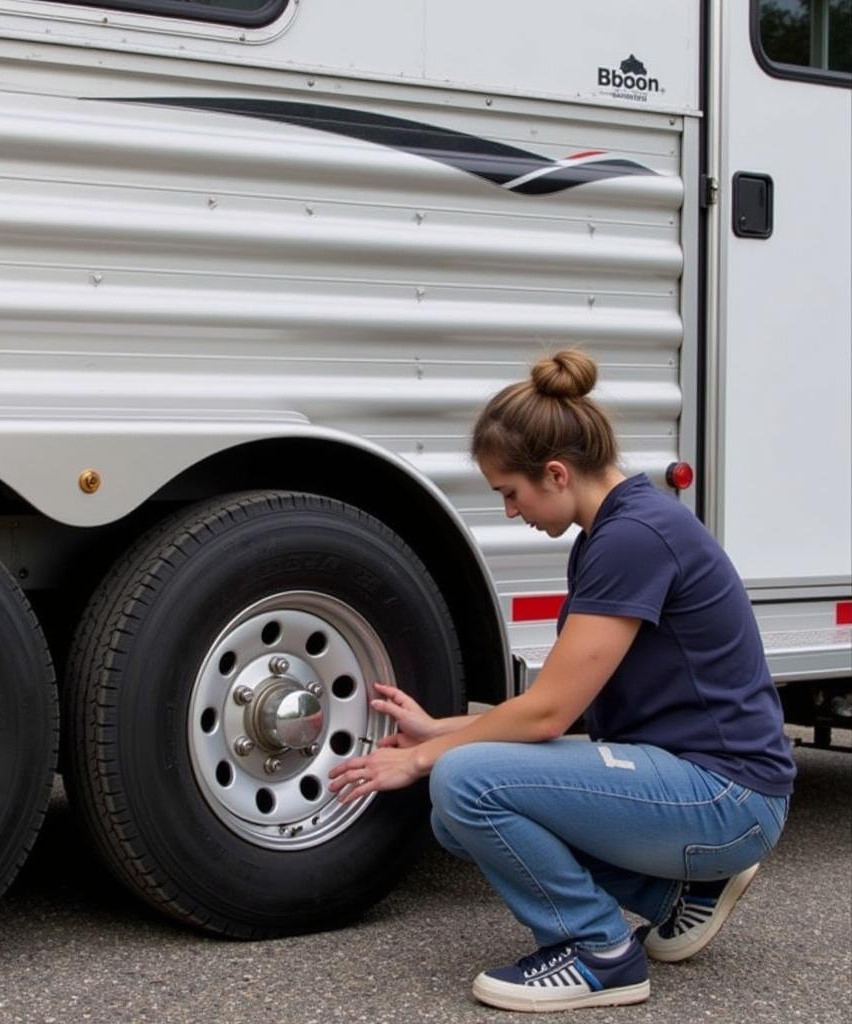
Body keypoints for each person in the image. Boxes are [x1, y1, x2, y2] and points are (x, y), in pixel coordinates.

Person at [328, 349, 795, 1013]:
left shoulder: (634, 538)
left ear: (555, 472)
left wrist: (428, 756)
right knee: (454, 815)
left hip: (727, 796)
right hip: (695, 780)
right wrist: (440, 729)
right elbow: (564, 706)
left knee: (464, 782)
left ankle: (599, 952)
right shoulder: (611, 535)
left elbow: (547, 717)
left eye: (509, 493)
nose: (512, 512)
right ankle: (680, 894)